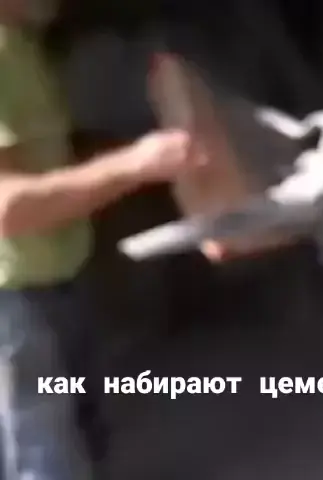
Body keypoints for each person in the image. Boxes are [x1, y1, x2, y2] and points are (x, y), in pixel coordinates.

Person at [0, 0, 202, 479]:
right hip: (15, 299)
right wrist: (135, 165)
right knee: (45, 457)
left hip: (57, 276)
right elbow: (7, 207)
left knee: (80, 433)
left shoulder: (21, 45)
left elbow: (44, 161)